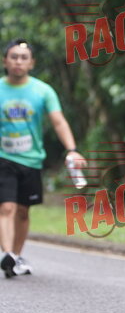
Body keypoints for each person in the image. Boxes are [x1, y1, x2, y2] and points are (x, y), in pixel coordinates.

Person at [0, 39, 86, 277]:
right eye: (14, 57)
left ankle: (16, 257)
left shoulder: (43, 91)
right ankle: (7, 254)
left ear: (31, 63)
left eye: (23, 58)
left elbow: (58, 122)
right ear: (5, 61)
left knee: (23, 211)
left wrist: (72, 149)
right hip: (3, 158)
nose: (18, 62)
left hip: (31, 160)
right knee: (6, 207)